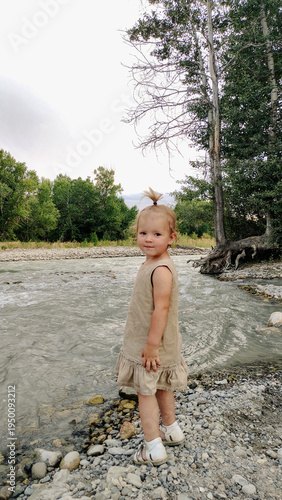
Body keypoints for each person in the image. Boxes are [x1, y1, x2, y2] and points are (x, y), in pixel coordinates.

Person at [115, 187, 188, 466]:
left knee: (145, 392)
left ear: (171, 239)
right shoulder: (153, 262)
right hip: (163, 342)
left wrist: (150, 346)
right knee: (162, 387)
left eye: (156, 234)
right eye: (143, 233)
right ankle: (171, 430)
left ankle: (153, 447)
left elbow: (162, 309)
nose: (148, 239)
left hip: (151, 343)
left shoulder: (160, 269)